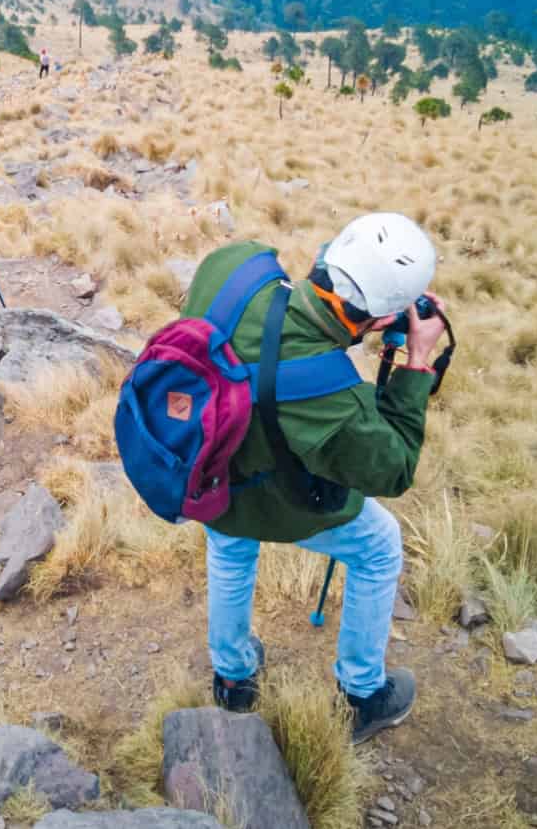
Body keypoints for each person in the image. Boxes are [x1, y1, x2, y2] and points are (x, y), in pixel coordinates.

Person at [181, 213, 443, 741]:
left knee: (230, 546)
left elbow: (278, 325)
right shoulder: (330, 396)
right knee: (378, 545)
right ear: (381, 316)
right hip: (267, 489)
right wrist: (416, 361)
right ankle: (362, 694)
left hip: (205, 467)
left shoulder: (232, 263)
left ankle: (233, 677)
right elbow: (393, 468)